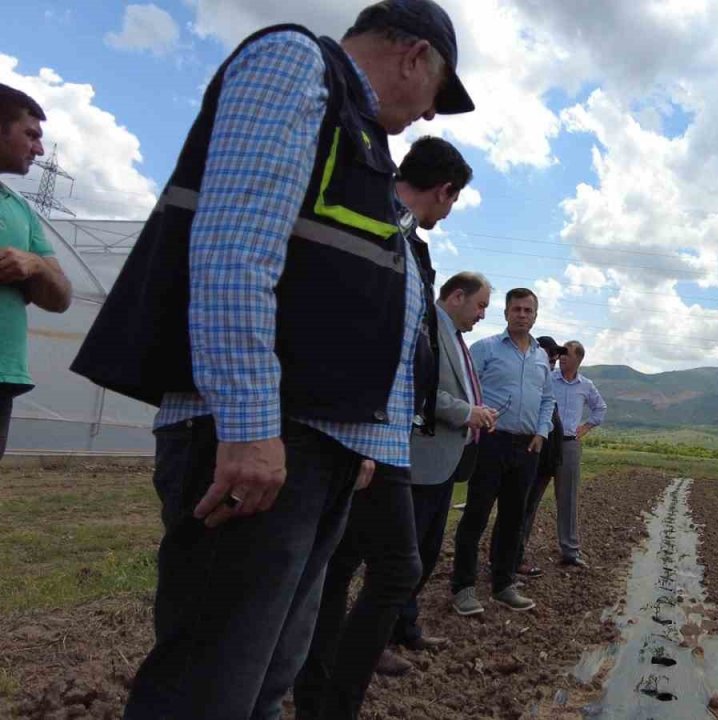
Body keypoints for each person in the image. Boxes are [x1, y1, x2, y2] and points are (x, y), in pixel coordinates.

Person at [69, 1, 475, 717]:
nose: (431, 115)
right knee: (211, 682)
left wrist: (364, 440)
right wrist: (250, 425)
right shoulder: (296, 65)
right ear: (414, 56)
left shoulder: (361, 139)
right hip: (266, 442)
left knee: (265, 676)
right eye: (438, 92)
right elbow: (234, 250)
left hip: (316, 446)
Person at [293, 137, 474, 718]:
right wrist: (364, 429)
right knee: (396, 566)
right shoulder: (374, 224)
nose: (447, 213)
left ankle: (317, 690)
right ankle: (330, 698)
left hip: (382, 429)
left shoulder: (411, 246)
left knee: (343, 563)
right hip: (364, 430)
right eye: (451, 201)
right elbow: (358, 333)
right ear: (443, 190)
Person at [378, 270, 494, 674]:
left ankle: (405, 628)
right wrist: (469, 413)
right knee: (400, 557)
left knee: (425, 552)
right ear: (457, 296)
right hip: (420, 460)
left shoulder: (458, 339)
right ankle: (375, 640)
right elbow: (418, 389)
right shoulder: (427, 327)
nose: (482, 315)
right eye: (480, 305)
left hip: (443, 463)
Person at [450, 288, 554, 615]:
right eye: (516, 309)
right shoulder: (485, 349)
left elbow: (547, 399)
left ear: (535, 315)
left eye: (528, 310)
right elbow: (462, 385)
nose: (522, 315)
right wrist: (474, 415)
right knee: (477, 514)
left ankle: (504, 584)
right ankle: (463, 587)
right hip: (491, 442)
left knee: (513, 517)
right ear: (506, 313)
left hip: (527, 447)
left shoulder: (540, 357)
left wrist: (541, 431)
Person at [0, 84, 71, 460]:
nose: (39, 150)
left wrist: (36, 265)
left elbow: (60, 299)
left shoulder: (20, 210)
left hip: (3, 376)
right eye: (30, 135)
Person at [550, 340, 607, 566]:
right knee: (530, 497)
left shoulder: (586, 385)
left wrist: (584, 428)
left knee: (568, 498)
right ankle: (518, 552)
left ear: (578, 359)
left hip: (569, 445)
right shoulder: (548, 377)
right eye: (561, 353)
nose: (562, 357)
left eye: (567, 354)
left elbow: (600, 408)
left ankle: (570, 551)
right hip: (545, 441)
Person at [515, 336, 568, 578]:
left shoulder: (545, 383)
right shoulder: (533, 383)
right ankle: (513, 559)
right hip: (533, 460)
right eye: (550, 355)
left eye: (557, 356)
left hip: (546, 463)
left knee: (529, 510)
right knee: (521, 509)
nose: (555, 360)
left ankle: (514, 556)